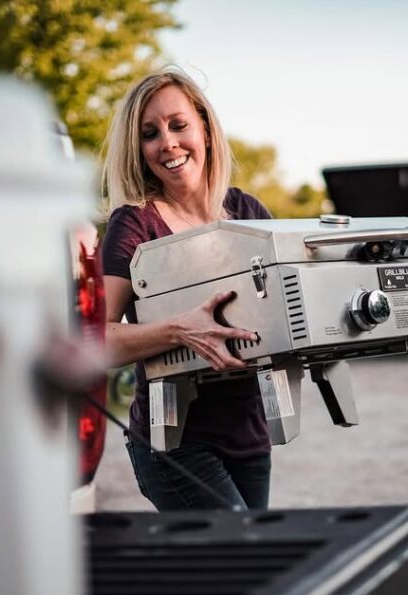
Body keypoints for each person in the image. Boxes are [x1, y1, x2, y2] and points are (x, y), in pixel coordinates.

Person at [100, 69, 273, 511]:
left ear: (205, 130)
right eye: (150, 133)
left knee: (249, 574)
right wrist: (179, 331)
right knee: (242, 557)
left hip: (250, 435)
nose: (168, 143)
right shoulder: (135, 223)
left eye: (179, 125)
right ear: (138, 150)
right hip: (173, 442)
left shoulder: (248, 211)